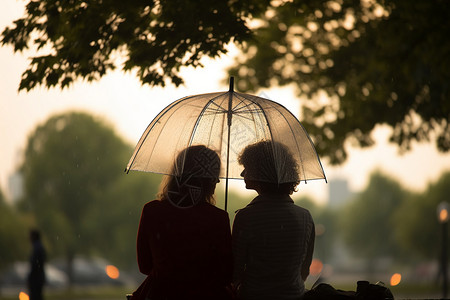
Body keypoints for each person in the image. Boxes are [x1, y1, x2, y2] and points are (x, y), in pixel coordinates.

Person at [130, 145, 233, 300]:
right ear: (207, 180)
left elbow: (145, 266)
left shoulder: (152, 211)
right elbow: (225, 275)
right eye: (215, 176)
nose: (217, 182)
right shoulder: (218, 217)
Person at [232, 140, 315, 300]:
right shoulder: (305, 217)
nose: (242, 174)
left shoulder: (246, 217)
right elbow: (304, 271)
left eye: (247, 168)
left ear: (261, 171)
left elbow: (235, 272)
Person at [28, 229, 46, 300]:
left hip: (36, 278)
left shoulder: (37, 248)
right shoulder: (39, 247)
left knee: (36, 297)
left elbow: (35, 265)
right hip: (38, 277)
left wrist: (31, 277)